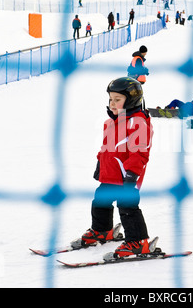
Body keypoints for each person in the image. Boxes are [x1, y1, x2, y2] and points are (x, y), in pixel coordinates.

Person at [71, 77, 155, 258]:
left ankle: (138, 242)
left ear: (131, 100)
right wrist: (99, 164)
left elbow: (140, 152)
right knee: (100, 199)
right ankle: (102, 231)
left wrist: (132, 174)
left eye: (118, 99)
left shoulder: (138, 122)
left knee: (127, 206)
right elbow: (107, 148)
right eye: (111, 99)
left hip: (127, 176)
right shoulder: (113, 121)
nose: (112, 103)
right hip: (110, 174)